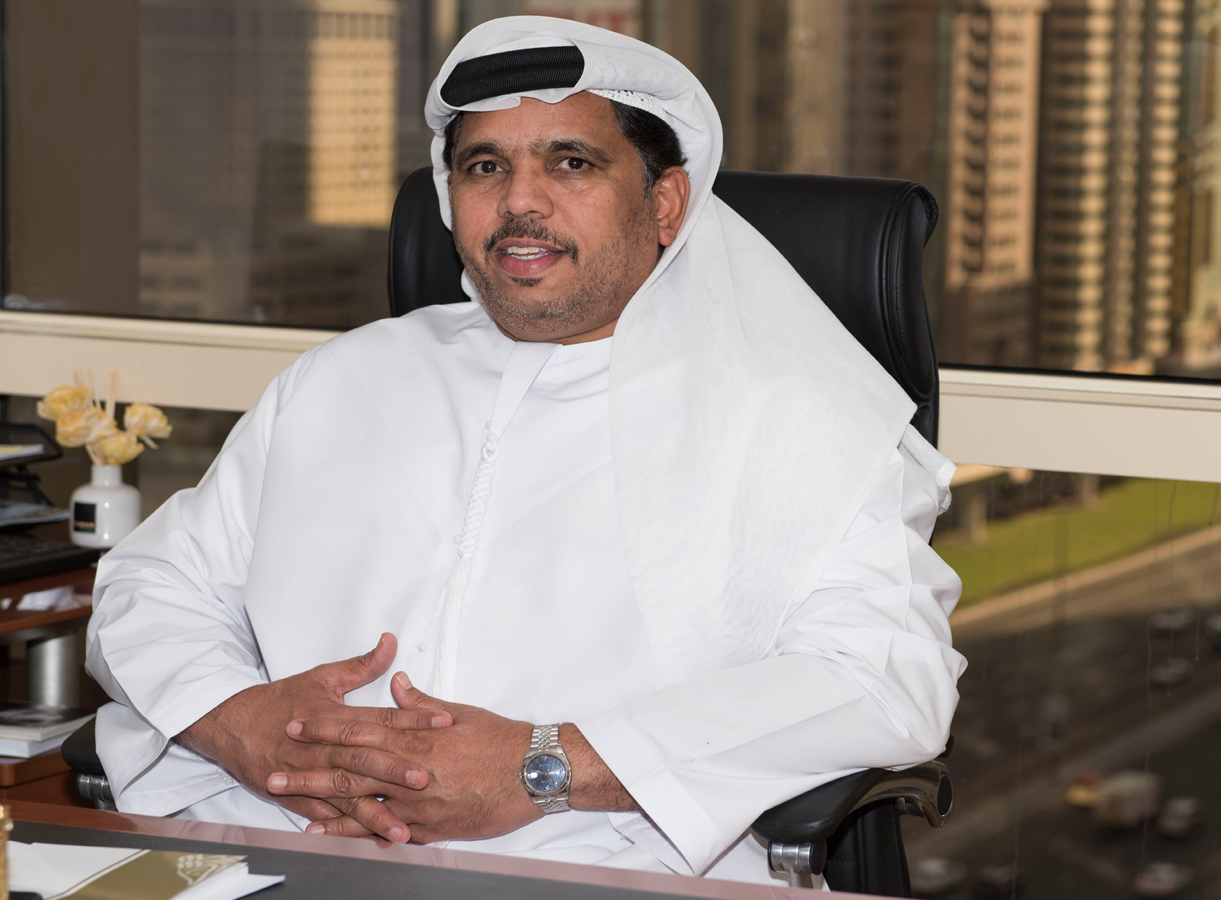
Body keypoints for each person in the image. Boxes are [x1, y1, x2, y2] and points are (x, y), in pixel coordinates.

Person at [85, 16, 966, 883]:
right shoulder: (340, 379)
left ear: (665, 202)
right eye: (485, 166)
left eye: (570, 163)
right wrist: (239, 721)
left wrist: (545, 767)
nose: (519, 202)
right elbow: (153, 584)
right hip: (278, 849)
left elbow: (888, 680)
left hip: (603, 866)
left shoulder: (795, 418)